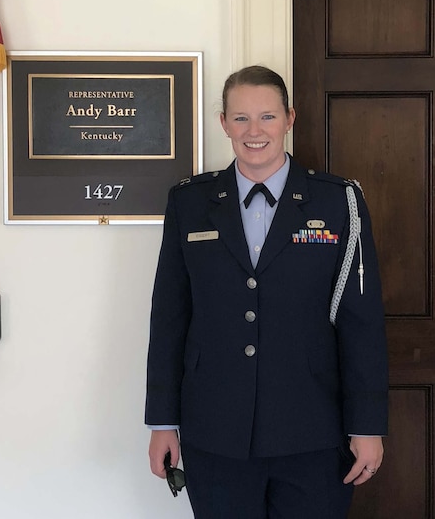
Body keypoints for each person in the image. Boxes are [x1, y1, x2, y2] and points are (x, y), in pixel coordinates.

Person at [145, 65, 388, 518]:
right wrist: (163, 422)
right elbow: (169, 318)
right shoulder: (189, 203)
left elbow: (362, 323)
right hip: (215, 431)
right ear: (223, 123)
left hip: (313, 429)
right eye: (240, 118)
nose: (253, 131)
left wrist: (368, 426)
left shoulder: (339, 202)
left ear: (289, 119)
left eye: (267, 117)